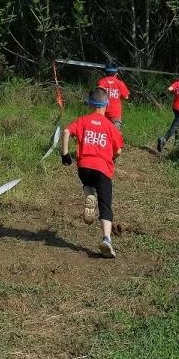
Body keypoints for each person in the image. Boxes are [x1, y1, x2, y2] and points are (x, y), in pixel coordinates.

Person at [62, 87, 123, 259]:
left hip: (84, 166)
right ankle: (106, 239)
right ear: (107, 104)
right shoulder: (110, 127)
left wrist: (65, 154)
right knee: (105, 204)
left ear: (90, 104)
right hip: (102, 168)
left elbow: (66, 131)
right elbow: (118, 150)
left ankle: (89, 195)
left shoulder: (82, 120)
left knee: (88, 184)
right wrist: (111, 157)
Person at [97, 65, 130, 130]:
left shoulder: (101, 82)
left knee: (103, 133)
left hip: (102, 112)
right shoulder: (119, 83)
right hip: (115, 114)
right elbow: (126, 97)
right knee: (115, 134)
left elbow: (97, 94)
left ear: (105, 73)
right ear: (116, 74)